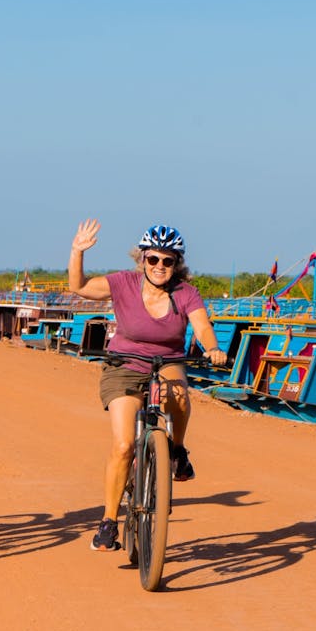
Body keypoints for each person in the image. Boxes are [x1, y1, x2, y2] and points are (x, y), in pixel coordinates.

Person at [69, 220, 227, 551]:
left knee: (180, 397)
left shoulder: (186, 293)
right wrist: (77, 252)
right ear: (142, 259)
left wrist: (212, 348)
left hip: (167, 362)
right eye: (153, 259)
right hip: (123, 366)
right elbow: (79, 287)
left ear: (177, 264)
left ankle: (178, 449)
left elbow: (201, 325)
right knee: (124, 444)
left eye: (167, 261)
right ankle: (109, 521)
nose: (159, 267)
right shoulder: (122, 283)